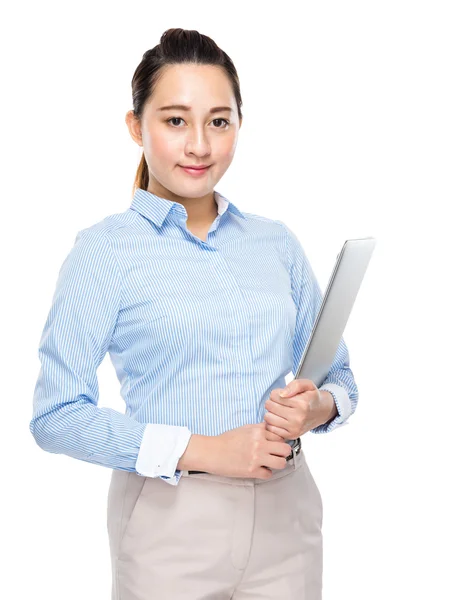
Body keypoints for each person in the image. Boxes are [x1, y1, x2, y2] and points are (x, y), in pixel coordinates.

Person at [30, 27, 359, 600]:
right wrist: (204, 449)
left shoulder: (275, 243)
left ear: (238, 126)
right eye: (176, 120)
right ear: (137, 127)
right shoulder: (104, 251)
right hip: (170, 519)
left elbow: (340, 377)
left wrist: (317, 407)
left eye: (219, 121)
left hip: (289, 515)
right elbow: (55, 415)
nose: (200, 146)